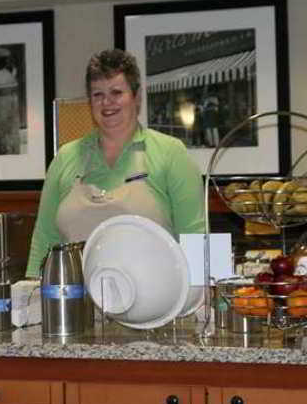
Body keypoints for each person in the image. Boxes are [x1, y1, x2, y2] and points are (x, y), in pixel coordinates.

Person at [26, 49, 206, 277]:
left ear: (136, 97)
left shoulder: (171, 154)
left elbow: (195, 238)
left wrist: (199, 296)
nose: (107, 102)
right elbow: (44, 239)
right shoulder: (65, 157)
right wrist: (32, 290)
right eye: (97, 94)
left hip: (155, 298)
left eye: (116, 92)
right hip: (75, 298)